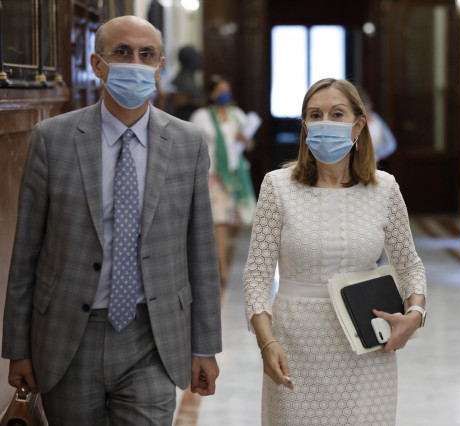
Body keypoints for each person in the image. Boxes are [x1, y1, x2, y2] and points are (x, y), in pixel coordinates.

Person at [2, 16, 222, 425]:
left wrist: (204, 345)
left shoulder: (188, 142)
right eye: (121, 52)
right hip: (69, 335)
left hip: (152, 335)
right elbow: (26, 252)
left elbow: (202, 251)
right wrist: (18, 347)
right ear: (97, 64)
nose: (134, 63)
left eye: (146, 54)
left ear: (159, 66)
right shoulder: (51, 139)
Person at [243, 78, 427, 425]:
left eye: (337, 114)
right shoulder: (277, 187)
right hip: (295, 345)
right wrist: (267, 343)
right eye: (315, 114)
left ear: (359, 125)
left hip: (367, 346)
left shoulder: (384, 188)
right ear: (304, 126)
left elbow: (410, 265)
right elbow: (256, 276)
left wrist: (414, 314)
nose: (325, 122)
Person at [190, 75, 256, 292]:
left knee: (232, 222)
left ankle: (222, 260)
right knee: (219, 221)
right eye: (220, 90)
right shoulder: (201, 117)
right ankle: (221, 267)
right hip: (214, 176)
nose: (224, 94)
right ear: (211, 94)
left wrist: (244, 139)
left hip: (235, 175)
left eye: (227, 89)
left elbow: (248, 143)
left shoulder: (236, 115)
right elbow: (194, 144)